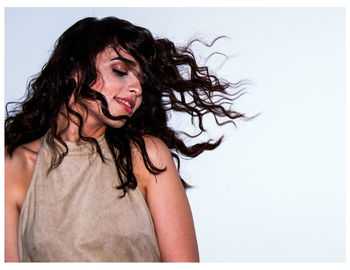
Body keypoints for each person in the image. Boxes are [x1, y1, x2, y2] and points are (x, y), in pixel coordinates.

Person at [5, 16, 246, 262]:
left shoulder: (147, 156)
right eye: (120, 71)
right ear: (75, 70)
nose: (137, 89)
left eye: (141, 80)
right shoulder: (12, 166)